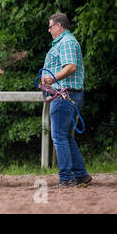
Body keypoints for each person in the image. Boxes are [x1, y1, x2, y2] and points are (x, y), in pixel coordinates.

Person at [42, 12, 92, 187]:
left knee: (58, 136)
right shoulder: (64, 42)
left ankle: (66, 177)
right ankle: (80, 175)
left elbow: (71, 66)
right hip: (66, 94)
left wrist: (52, 78)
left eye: (50, 26)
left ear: (58, 26)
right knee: (66, 136)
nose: (49, 30)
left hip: (64, 95)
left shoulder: (67, 42)